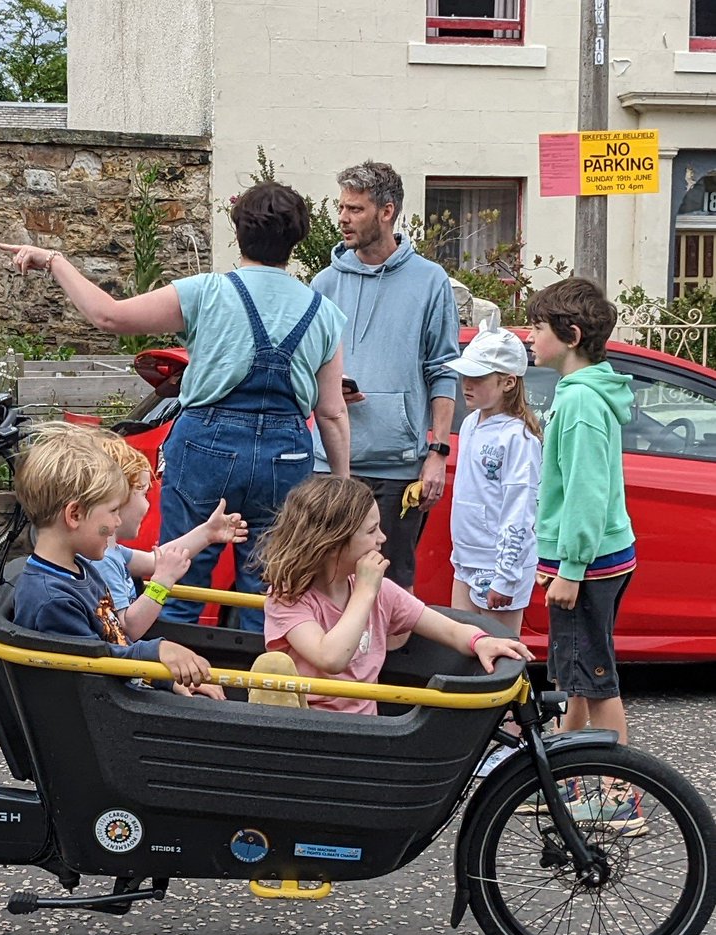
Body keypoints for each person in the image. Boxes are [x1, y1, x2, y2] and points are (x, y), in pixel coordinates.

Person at [0, 178, 349, 632]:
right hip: (287, 456)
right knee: (267, 591)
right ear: (296, 241)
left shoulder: (205, 292)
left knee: (179, 572)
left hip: (207, 445)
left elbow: (109, 315)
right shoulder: (323, 312)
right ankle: (246, 696)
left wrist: (56, 262)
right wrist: (342, 485)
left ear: (238, 231)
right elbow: (332, 412)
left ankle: (173, 684)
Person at [256, 475, 531, 715]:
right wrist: (364, 592)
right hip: (309, 731)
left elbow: (446, 629)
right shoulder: (289, 598)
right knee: (273, 665)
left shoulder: (380, 590)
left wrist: (479, 642)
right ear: (332, 544)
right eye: (371, 530)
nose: (382, 538)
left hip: (363, 732)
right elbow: (331, 658)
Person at [309, 161, 460, 590]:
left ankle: (387, 661)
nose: (342, 218)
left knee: (391, 588)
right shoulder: (324, 284)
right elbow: (303, 368)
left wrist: (438, 452)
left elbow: (443, 369)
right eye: (341, 207)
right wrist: (325, 387)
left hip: (397, 469)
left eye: (355, 209)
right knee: (326, 583)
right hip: (329, 463)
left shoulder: (430, 281)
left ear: (387, 211)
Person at [526, 278, 642, 833]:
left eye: (538, 327)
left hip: (588, 565)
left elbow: (586, 495)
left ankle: (621, 796)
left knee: (595, 678)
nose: (529, 336)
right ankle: (563, 775)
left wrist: (570, 569)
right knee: (577, 672)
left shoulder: (578, 405)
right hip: (597, 559)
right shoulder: (582, 394)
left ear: (568, 336)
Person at [11, 429, 213, 691]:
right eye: (114, 511)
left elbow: (115, 644)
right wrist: (157, 651)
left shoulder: (81, 570)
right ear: (75, 514)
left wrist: (168, 681)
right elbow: (95, 670)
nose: (118, 522)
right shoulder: (53, 600)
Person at [92, 429, 247, 641]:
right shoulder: (104, 560)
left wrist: (207, 533)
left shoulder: (110, 551)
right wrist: (162, 583)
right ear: (119, 501)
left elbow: (155, 559)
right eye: (143, 493)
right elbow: (127, 629)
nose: (147, 503)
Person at [446, 323, 543, 639]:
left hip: (499, 565)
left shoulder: (518, 437)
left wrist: (505, 576)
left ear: (508, 382)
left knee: (499, 654)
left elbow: (519, 509)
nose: (467, 385)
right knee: (461, 650)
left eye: (479, 378)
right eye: (465, 376)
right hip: (465, 560)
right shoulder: (471, 422)